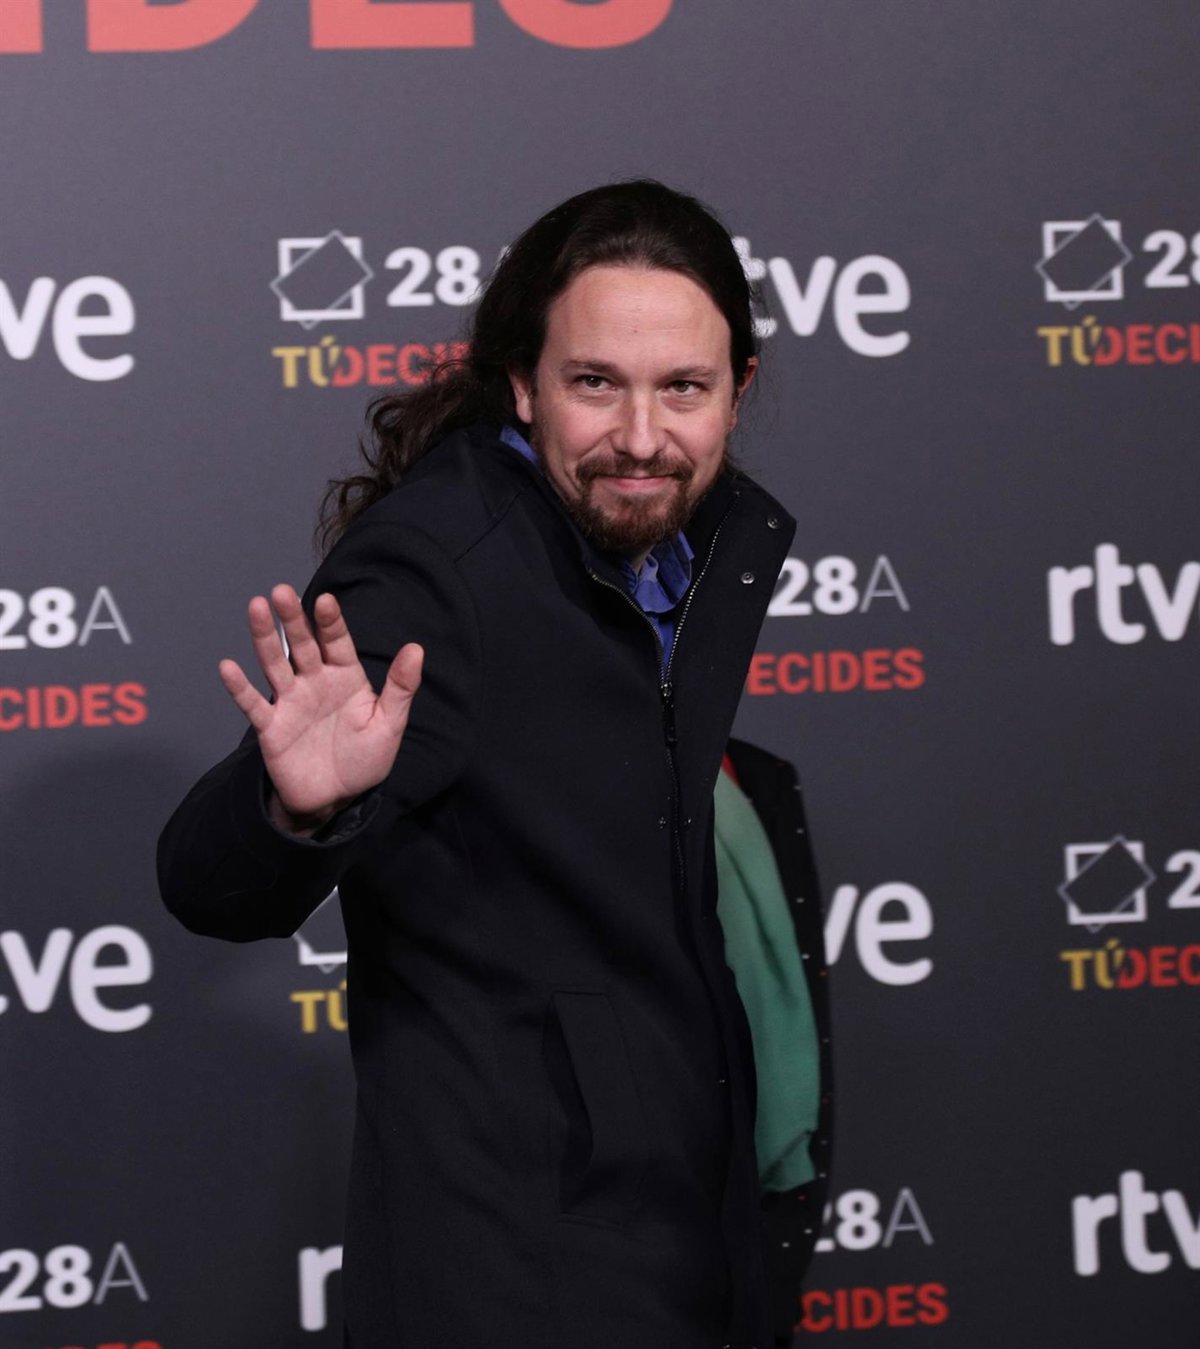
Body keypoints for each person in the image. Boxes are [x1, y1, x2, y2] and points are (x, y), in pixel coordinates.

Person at [158, 180, 798, 1349]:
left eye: (684, 388)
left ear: (737, 391)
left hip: (676, 1209)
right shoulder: (436, 567)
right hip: (518, 1256)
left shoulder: (688, 540)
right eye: (595, 382)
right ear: (521, 382)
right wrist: (295, 805)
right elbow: (207, 880)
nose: (642, 436)